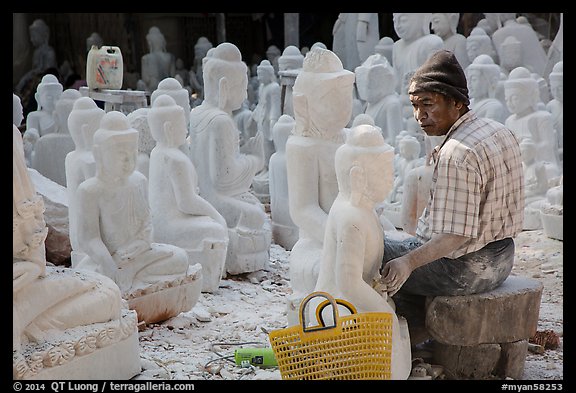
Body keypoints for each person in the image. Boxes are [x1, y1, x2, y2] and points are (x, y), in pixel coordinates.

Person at [378, 50, 525, 347]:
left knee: (375, 255)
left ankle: (412, 334)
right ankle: (420, 328)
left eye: (428, 104)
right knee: (396, 247)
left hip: (468, 269)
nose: (420, 115)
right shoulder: (497, 129)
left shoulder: (457, 153)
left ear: (456, 102)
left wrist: (408, 262)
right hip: (503, 254)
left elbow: (455, 236)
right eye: (415, 105)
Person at [313, 123, 411, 379]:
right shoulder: (351, 219)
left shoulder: (363, 209)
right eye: (384, 171)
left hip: (355, 300)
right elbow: (347, 283)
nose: (391, 178)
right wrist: (385, 313)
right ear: (358, 176)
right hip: (339, 309)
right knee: (386, 323)